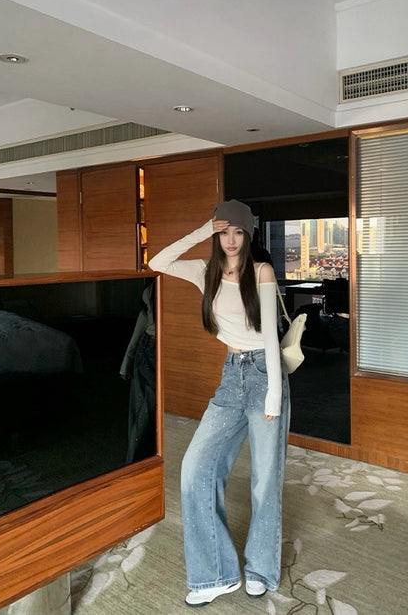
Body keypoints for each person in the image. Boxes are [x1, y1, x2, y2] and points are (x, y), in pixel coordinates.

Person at [148, 199, 290, 607]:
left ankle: (260, 569)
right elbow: (158, 261)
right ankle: (215, 574)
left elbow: (269, 336)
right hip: (231, 377)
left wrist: (274, 395)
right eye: (224, 231)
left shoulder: (260, 272)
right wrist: (201, 230)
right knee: (195, 467)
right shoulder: (204, 271)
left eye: (238, 232)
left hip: (265, 374)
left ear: (248, 235)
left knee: (265, 479)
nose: (230, 240)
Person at [119, 279, 156, 464]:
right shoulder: (153, 289)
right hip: (149, 350)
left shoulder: (155, 287)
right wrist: (126, 363)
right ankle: (135, 459)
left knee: (146, 407)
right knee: (146, 408)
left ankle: (137, 458)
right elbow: (142, 324)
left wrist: (126, 363)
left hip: (150, 347)